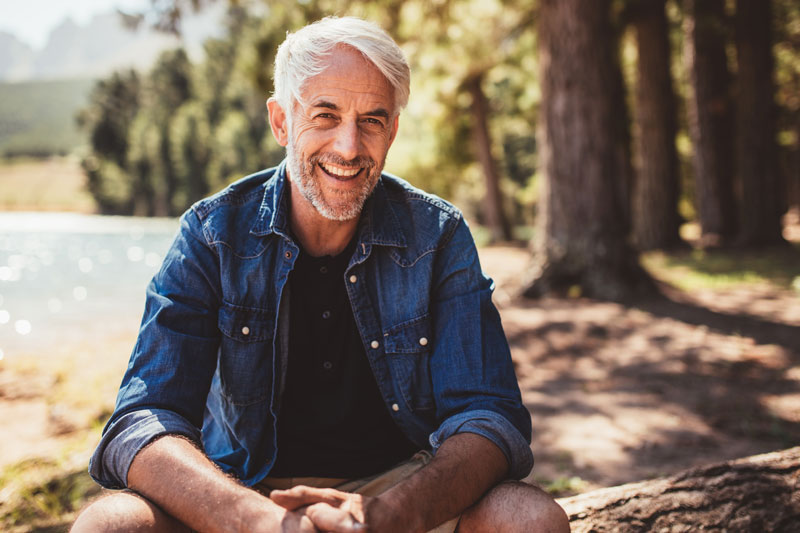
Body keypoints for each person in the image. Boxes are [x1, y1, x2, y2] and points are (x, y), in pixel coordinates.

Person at [72, 16, 570, 533]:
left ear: (392, 132)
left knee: (528, 520)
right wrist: (260, 522)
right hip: (241, 492)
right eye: (325, 115)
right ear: (281, 121)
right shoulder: (212, 234)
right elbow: (143, 419)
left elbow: (488, 416)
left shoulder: (437, 235)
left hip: (403, 490)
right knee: (110, 525)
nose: (349, 147)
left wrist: (389, 515)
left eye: (372, 120)